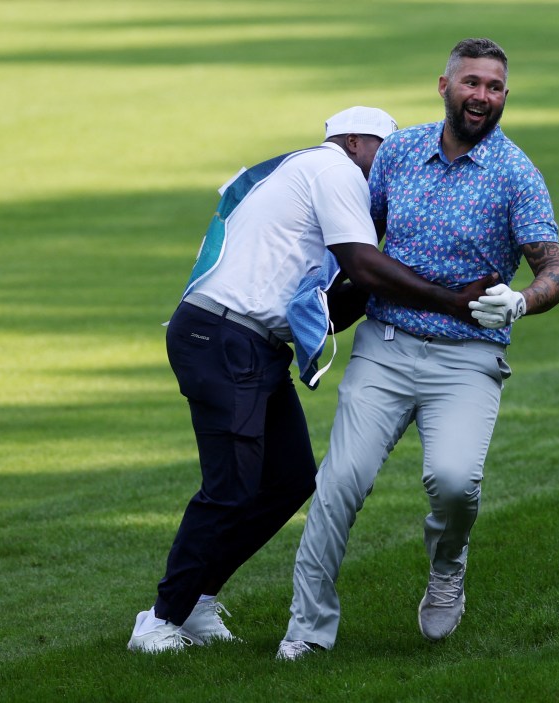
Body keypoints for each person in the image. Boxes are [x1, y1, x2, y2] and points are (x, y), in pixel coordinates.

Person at [127, 106, 495, 653]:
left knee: (289, 479)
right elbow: (366, 269)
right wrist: (449, 301)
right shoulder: (336, 172)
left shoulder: (311, 176)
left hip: (247, 343)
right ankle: (158, 620)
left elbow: (342, 304)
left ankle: (199, 601)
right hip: (223, 337)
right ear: (352, 141)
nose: (386, 168)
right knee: (230, 488)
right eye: (381, 152)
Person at [277, 38, 559, 661]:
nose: (481, 96)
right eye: (471, 83)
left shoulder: (517, 174)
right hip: (385, 346)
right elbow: (363, 244)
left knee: (454, 482)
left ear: (505, 97)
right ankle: (306, 629)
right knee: (340, 484)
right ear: (444, 86)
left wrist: (521, 301)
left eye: (494, 88)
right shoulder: (401, 152)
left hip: (468, 357)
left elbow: (556, 272)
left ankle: (448, 564)